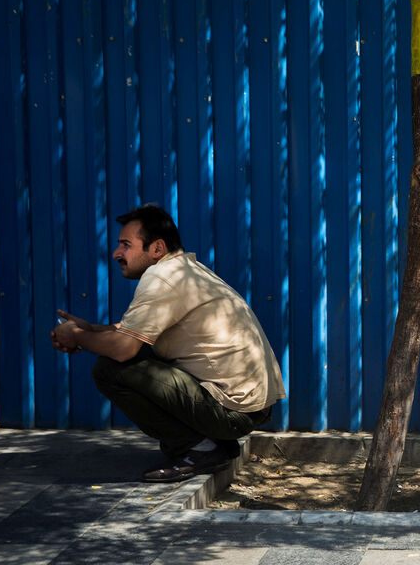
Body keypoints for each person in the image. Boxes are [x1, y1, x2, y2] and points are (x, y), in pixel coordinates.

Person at [50, 204, 286, 483]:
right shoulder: (185, 270)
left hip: (233, 411)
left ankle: (201, 450)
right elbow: (132, 330)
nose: (117, 254)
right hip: (250, 408)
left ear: (157, 248)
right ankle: (212, 442)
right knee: (140, 349)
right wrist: (92, 330)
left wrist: (77, 337)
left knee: (110, 368)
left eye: (126, 245)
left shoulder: (162, 277)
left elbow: (124, 348)